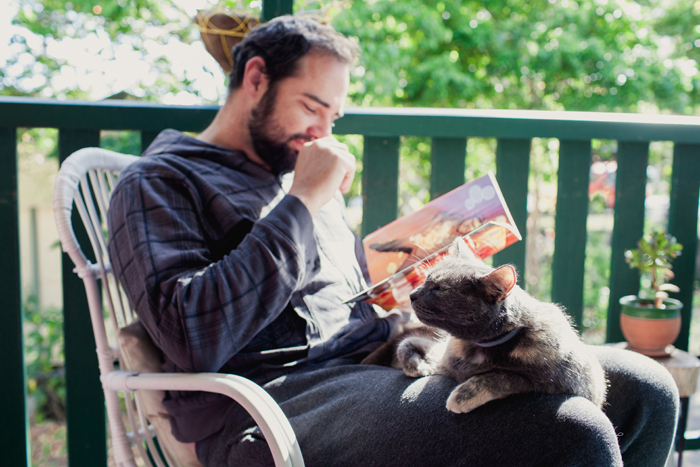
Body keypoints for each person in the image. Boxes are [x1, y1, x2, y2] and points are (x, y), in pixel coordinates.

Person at [108, 15, 679, 467]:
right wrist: (302, 200)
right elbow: (191, 337)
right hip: (266, 404)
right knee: (565, 431)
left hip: (380, 365)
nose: (322, 132)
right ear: (255, 77)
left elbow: (343, 300)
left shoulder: (293, 175)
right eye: (311, 106)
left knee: (645, 389)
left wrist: (411, 275)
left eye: (333, 116)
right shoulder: (160, 180)